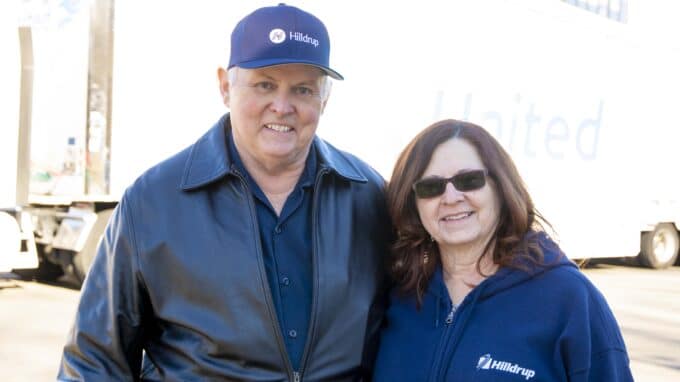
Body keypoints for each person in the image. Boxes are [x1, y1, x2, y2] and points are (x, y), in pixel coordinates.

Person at [59, 4, 390, 381]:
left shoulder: (371, 198)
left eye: (303, 90)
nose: (282, 107)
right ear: (224, 86)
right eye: (264, 84)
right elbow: (93, 361)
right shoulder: (153, 202)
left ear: (324, 99)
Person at [372, 119, 633, 381]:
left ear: (501, 187)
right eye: (430, 187)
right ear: (412, 202)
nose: (451, 198)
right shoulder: (401, 296)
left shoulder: (569, 299)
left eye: (469, 180)